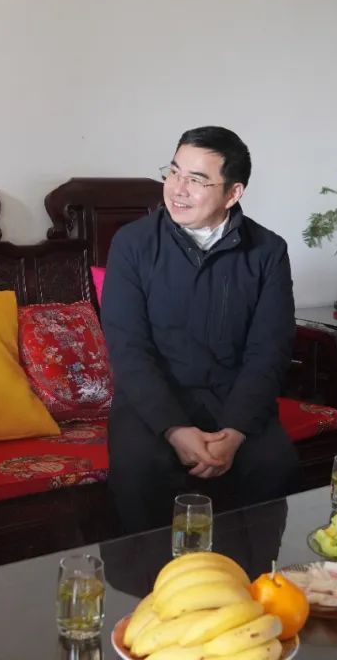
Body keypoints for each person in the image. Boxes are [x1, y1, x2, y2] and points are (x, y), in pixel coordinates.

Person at [102, 126, 298, 533]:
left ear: (233, 193)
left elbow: (269, 351)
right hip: (152, 404)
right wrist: (175, 430)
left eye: (196, 180)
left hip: (233, 401)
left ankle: (249, 575)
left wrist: (235, 433)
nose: (178, 189)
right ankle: (152, 577)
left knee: (272, 462)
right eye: (174, 172)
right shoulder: (133, 244)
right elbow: (128, 349)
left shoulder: (267, 252)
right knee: (141, 468)